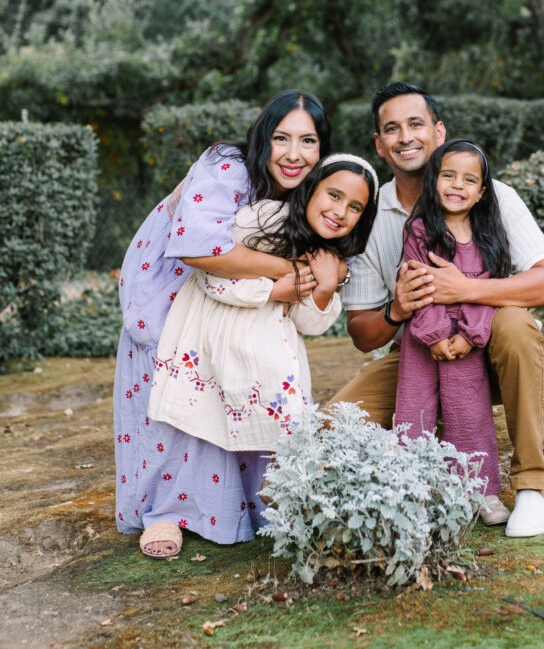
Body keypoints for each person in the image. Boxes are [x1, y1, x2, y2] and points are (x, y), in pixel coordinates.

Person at [329, 82, 544, 538]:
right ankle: (411, 489)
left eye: (416, 124)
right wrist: (399, 310)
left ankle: (532, 486)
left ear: (438, 133)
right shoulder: (371, 212)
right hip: (418, 351)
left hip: (487, 345)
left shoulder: (491, 197)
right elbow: (362, 333)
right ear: (379, 145)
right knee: (334, 422)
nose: (406, 137)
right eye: (392, 129)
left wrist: (465, 290)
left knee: (515, 323)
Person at [114, 90, 339, 558]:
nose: (294, 154)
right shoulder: (230, 165)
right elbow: (198, 247)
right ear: (263, 137)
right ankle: (167, 512)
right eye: (281, 138)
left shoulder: (313, 189)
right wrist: (285, 272)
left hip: (243, 293)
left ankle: (255, 502)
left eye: (308, 141)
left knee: (243, 374)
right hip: (175, 280)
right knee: (182, 382)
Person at [145, 154, 378, 549]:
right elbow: (209, 274)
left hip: (272, 353)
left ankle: (275, 510)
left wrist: (322, 287)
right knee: (200, 428)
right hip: (214, 336)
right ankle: (171, 515)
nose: (340, 211)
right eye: (333, 195)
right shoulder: (263, 219)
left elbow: (311, 324)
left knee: (274, 429)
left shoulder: (331, 256)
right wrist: (276, 289)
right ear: (310, 189)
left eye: (354, 206)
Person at [395, 139, 510, 523]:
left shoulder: (488, 236)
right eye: (448, 176)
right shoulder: (419, 230)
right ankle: (414, 491)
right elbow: (415, 288)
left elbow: (490, 295)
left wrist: (469, 336)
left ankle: (482, 492)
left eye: (469, 180)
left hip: (466, 344)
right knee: (415, 412)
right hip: (425, 342)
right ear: (434, 180)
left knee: (469, 413)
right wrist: (435, 335)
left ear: (480, 193)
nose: (457, 185)